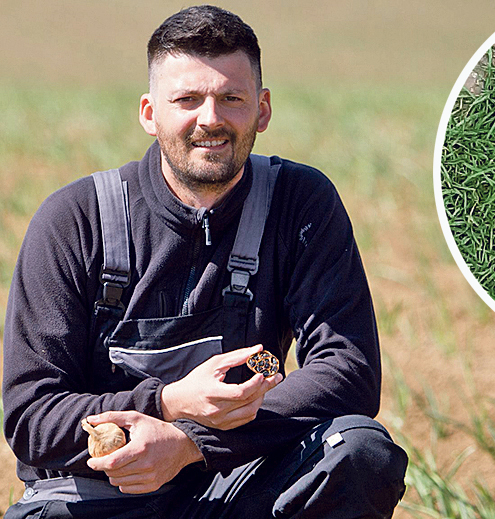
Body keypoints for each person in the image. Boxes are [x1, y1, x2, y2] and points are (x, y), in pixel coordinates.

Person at [2, 5, 407, 518]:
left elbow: (348, 371)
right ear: (150, 113)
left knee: (359, 450)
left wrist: (189, 442)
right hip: (103, 500)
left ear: (261, 109)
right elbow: (30, 417)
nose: (210, 119)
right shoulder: (75, 219)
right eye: (187, 100)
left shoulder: (299, 202)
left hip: (238, 486)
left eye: (230, 98)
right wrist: (168, 402)